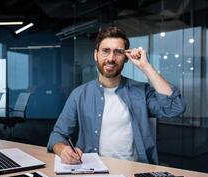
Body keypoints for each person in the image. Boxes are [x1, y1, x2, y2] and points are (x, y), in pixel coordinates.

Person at [47, 26, 185, 165]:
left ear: (126, 57)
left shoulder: (141, 91)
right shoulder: (79, 94)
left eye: (118, 52)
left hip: (135, 172)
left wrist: (146, 67)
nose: (111, 58)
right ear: (96, 54)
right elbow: (58, 135)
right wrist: (62, 149)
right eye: (105, 51)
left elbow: (175, 108)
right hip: (92, 171)